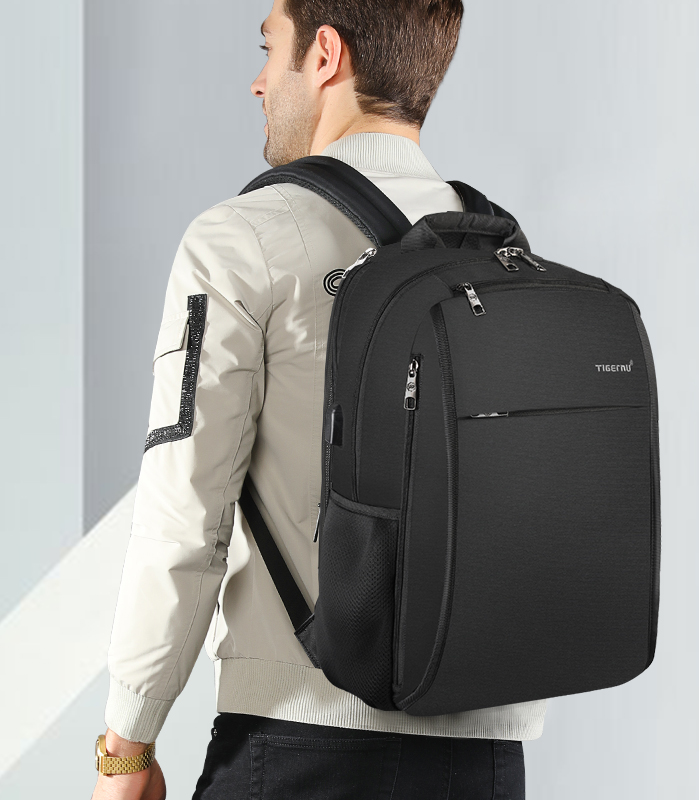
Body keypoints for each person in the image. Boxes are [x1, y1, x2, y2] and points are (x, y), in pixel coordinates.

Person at [91, 1, 547, 798]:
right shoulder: (503, 256)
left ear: (326, 54)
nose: (258, 81)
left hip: (300, 744)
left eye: (271, 48)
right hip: (487, 759)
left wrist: (127, 745)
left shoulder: (241, 241)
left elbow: (184, 515)